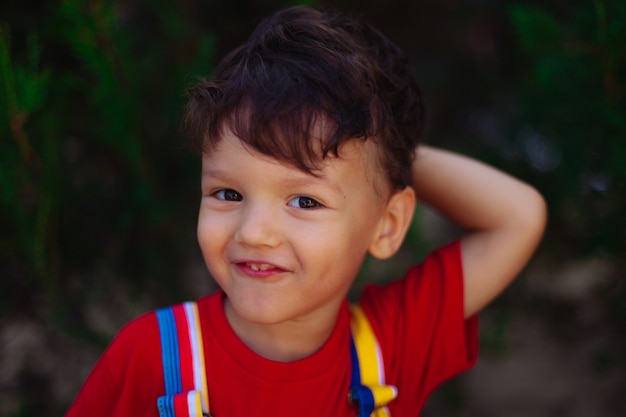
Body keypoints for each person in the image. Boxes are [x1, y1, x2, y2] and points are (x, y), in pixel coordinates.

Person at [66, 5, 546, 417]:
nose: (254, 232)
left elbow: (518, 216)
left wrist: (385, 153)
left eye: (305, 200)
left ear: (388, 225)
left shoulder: (394, 343)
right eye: (228, 193)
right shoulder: (153, 356)